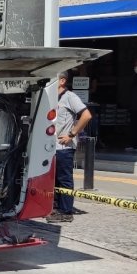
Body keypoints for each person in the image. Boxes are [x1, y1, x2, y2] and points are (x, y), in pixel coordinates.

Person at [49, 71, 92, 223]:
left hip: (64, 147)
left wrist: (71, 134)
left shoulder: (70, 97)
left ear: (62, 81)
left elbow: (86, 115)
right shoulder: (51, 97)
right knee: (54, 179)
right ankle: (55, 208)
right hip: (51, 146)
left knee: (64, 179)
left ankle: (66, 211)